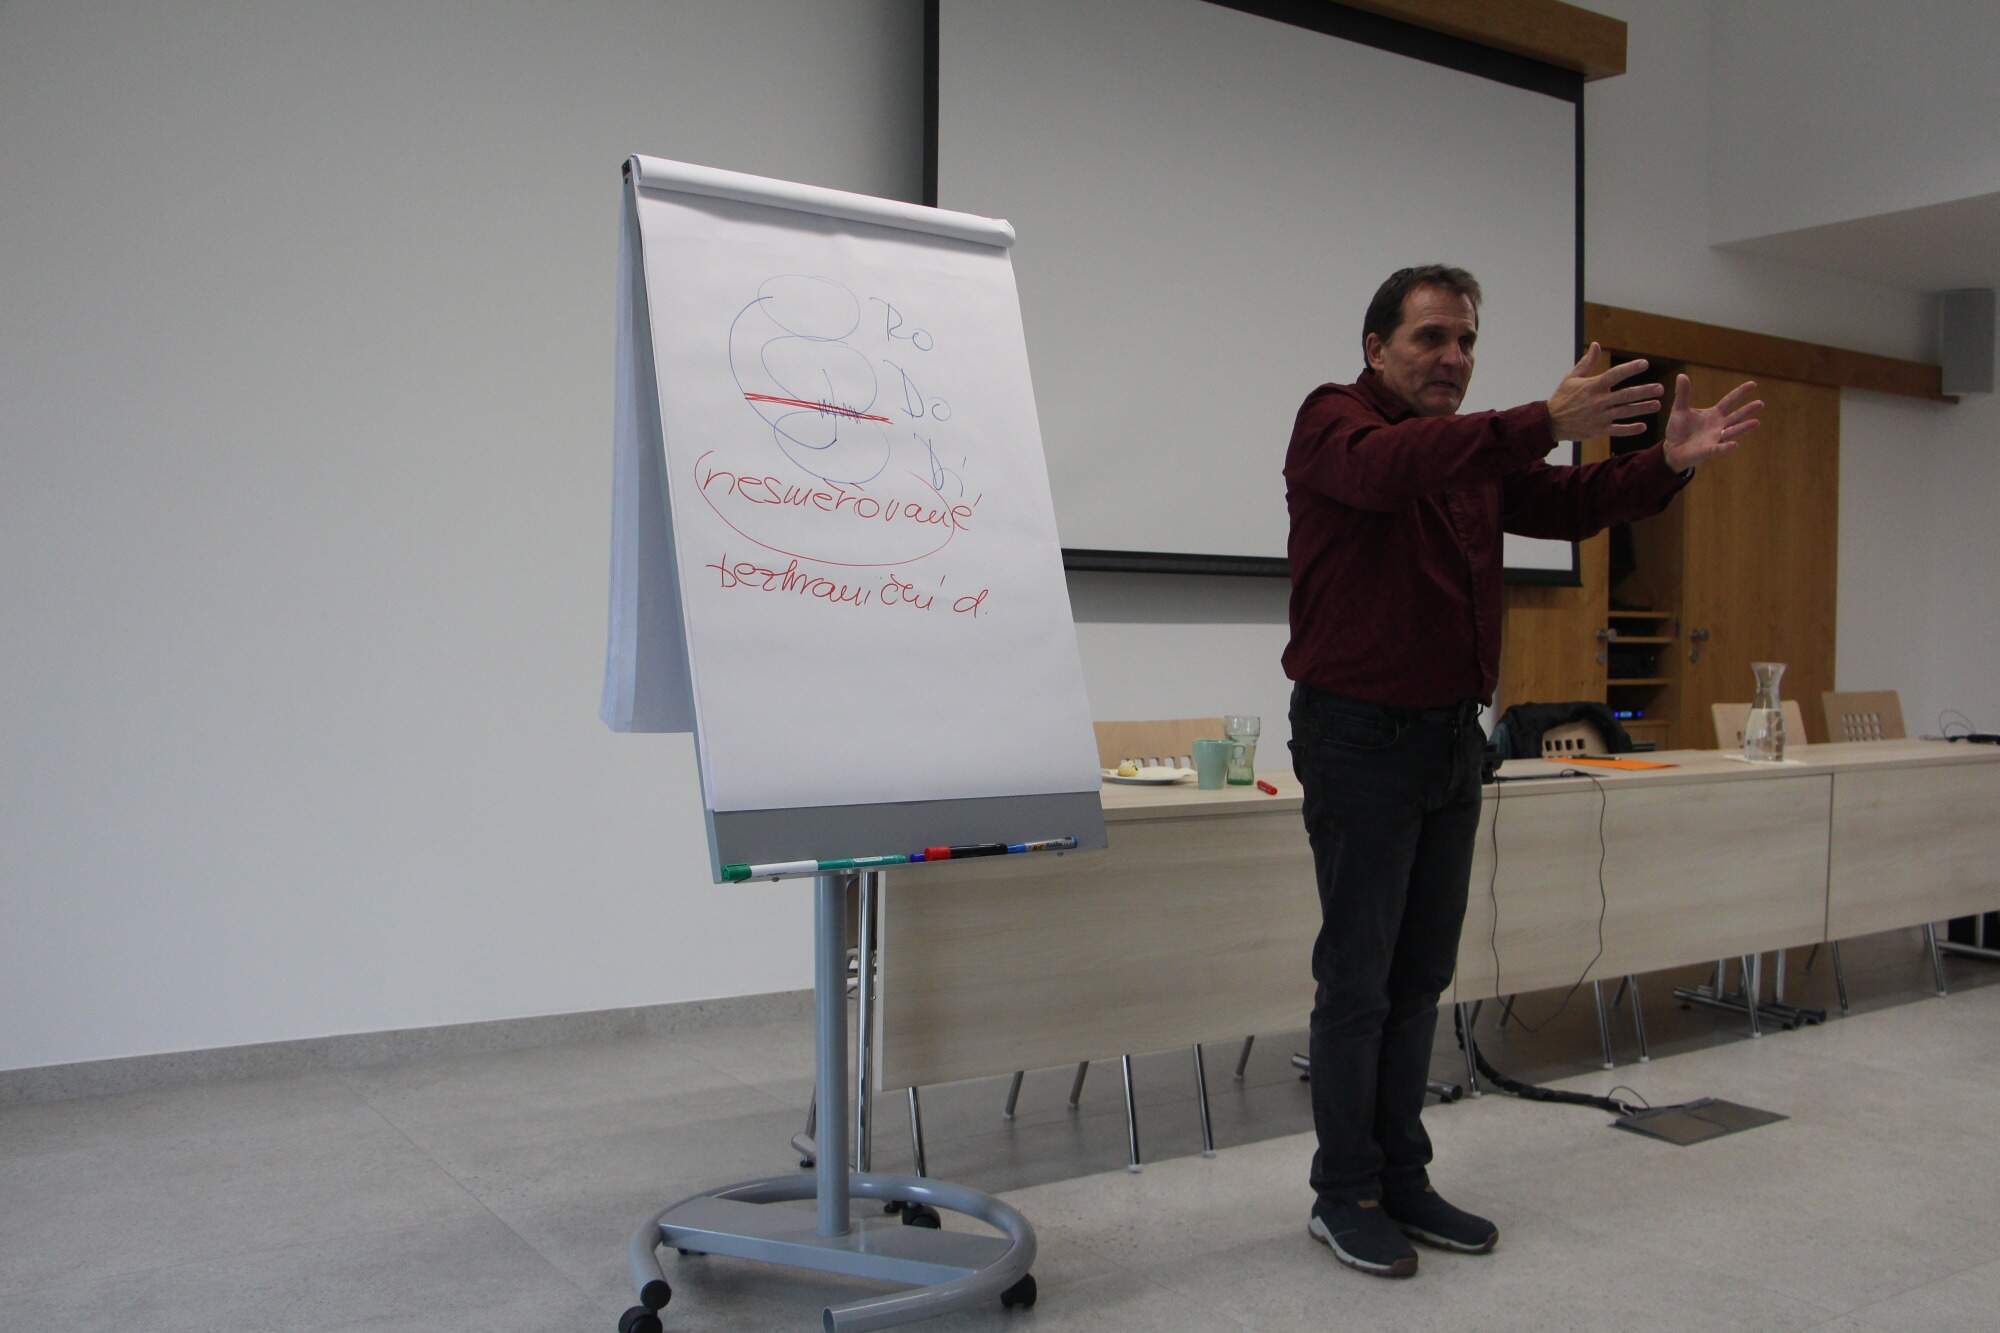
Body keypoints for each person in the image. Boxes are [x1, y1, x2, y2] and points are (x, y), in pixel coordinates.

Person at [1282, 265, 1761, 1279]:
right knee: (1359, 979)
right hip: (1357, 739)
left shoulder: (1470, 454)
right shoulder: (1334, 424)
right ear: (1375, 348)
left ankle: (1401, 1176)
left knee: (1419, 975)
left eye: (1465, 341)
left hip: (1451, 740)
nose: (1452, 357)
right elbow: (1389, 472)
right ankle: (1343, 1192)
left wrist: (1665, 465)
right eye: (1430, 338)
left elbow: (1570, 501)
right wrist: (1540, 418)